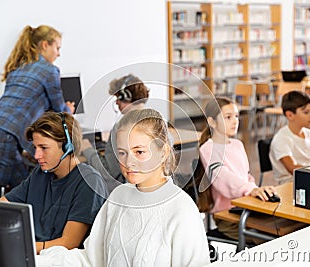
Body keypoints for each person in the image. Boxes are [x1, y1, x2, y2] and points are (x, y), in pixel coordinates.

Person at [36, 108, 210, 266]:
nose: (128, 162)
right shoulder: (118, 197)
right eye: (122, 153)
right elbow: (91, 259)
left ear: (163, 152)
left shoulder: (182, 210)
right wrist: (38, 260)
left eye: (139, 152)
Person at [0, 25, 75, 187]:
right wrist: (69, 110)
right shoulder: (49, 71)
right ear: (45, 45)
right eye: (57, 48)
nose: (58, 54)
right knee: (10, 193)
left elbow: (24, 108)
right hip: (4, 135)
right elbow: (59, 110)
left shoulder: (17, 69)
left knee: (21, 187)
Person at [0, 111, 108, 255]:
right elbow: (2, 204)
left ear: (68, 147)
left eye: (44, 148)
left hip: (60, 259)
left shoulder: (89, 181)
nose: (36, 156)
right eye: (35, 148)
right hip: (35, 253)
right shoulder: (40, 174)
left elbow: (68, 243)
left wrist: (19, 247)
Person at [194, 96, 276, 241]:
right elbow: (224, 178)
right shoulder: (208, 148)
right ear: (211, 122)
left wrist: (256, 191)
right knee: (268, 236)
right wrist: (250, 190)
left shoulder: (238, 144)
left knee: (281, 227)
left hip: (246, 207)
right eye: (228, 117)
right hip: (228, 216)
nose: (235, 121)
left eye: (237, 116)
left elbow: (246, 176)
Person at [81, 74, 149, 193]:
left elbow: (107, 174)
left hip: (128, 195)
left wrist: (87, 149)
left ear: (126, 97)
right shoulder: (158, 122)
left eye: (118, 97)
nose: (116, 102)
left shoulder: (121, 128)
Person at [269, 90, 310, 183]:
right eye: (306, 112)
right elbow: (293, 169)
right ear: (290, 115)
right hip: (289, 185)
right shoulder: (281, 139)